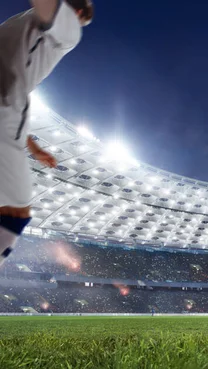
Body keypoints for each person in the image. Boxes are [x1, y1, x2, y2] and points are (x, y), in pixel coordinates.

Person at [0, 0, 94, 266]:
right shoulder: (68, 27)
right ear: (77, 13)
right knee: (13, 214)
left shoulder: (15, 23)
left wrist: (33, 147)